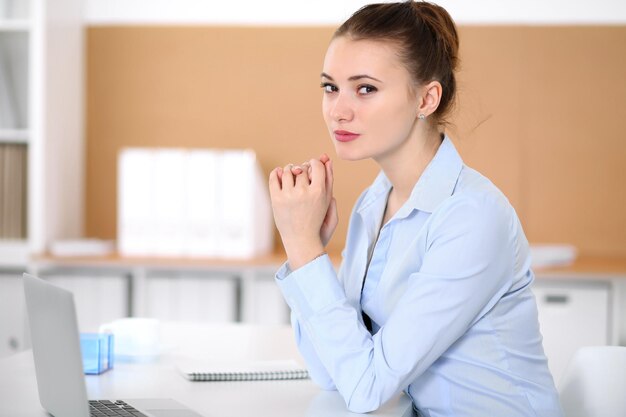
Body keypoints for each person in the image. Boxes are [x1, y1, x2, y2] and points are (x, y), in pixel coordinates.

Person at [268, 2, 563, 416]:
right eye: (330, 87)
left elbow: (367, 388)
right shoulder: (375, 203)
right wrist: (307, 251)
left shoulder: (472, 217)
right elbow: (333, 374)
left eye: (365, 88)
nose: (338, 109)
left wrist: (302, 246)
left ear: (426, 98)